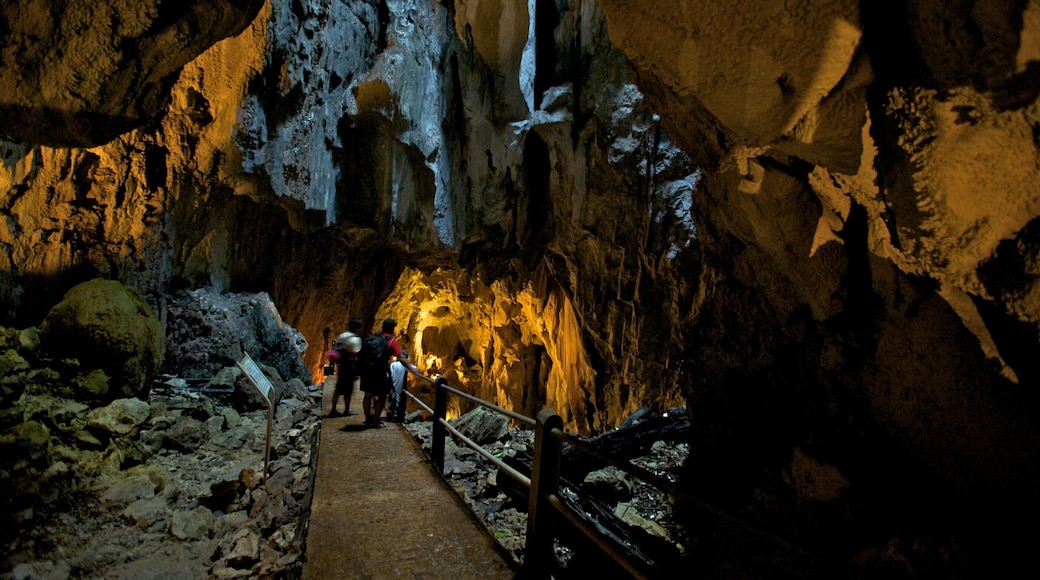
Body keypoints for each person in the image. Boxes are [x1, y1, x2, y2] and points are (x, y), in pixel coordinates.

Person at [360, 318, 420, 427]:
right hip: (379, 371)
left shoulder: (374, 338)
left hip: (367, 370)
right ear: (392, 329)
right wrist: (412, 368)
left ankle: (367, 419)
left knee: (367, 395)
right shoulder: (390, 341)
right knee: (382, 395)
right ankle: (375, 420)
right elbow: (401, 357)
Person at [328, 318, 363, 417]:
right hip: (349, 365)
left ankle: (333, 410)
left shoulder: (342, 336)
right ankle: (347, 410)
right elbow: (355, 355)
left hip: (341, 365)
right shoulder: (355, 339)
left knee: (338, 389)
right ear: (357, 328)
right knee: (348, 389)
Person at [387, 349, 409, 422]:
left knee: (393, 399)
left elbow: (390, 374)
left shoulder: (392, 364)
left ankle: (392, 414)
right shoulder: (405, 366)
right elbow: (414, 368)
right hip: (400, 386)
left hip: (392, 385)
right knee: (398, 400)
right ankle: (398, 416)